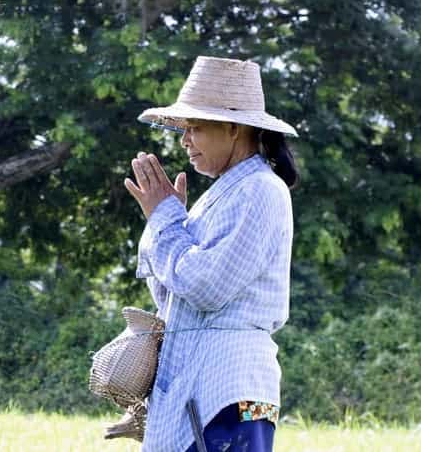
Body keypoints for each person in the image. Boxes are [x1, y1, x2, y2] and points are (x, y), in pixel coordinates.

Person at [124, 56, 299, 452]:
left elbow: (204, 286)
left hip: (228, 388)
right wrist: (164, 222)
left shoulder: (260, 189)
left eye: (195, 128)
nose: (184, 140)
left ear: (234, 128)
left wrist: (166, 220)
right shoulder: (222, 195)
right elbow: (171, 296)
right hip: (198, 384)